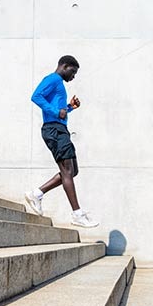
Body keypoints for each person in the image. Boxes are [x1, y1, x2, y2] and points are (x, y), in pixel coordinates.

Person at [25, 55, 100, 229]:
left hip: (59, 128)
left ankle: (37, 194)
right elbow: (36, 96)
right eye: (73, 72)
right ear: (65, 66)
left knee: (73, 171)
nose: (73, 77)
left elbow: (60, 111)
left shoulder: (58, 83)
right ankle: (77, 214)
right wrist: (55, 111)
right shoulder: (53, 79)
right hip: (54, 129)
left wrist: (69, 108)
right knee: (67, 171)